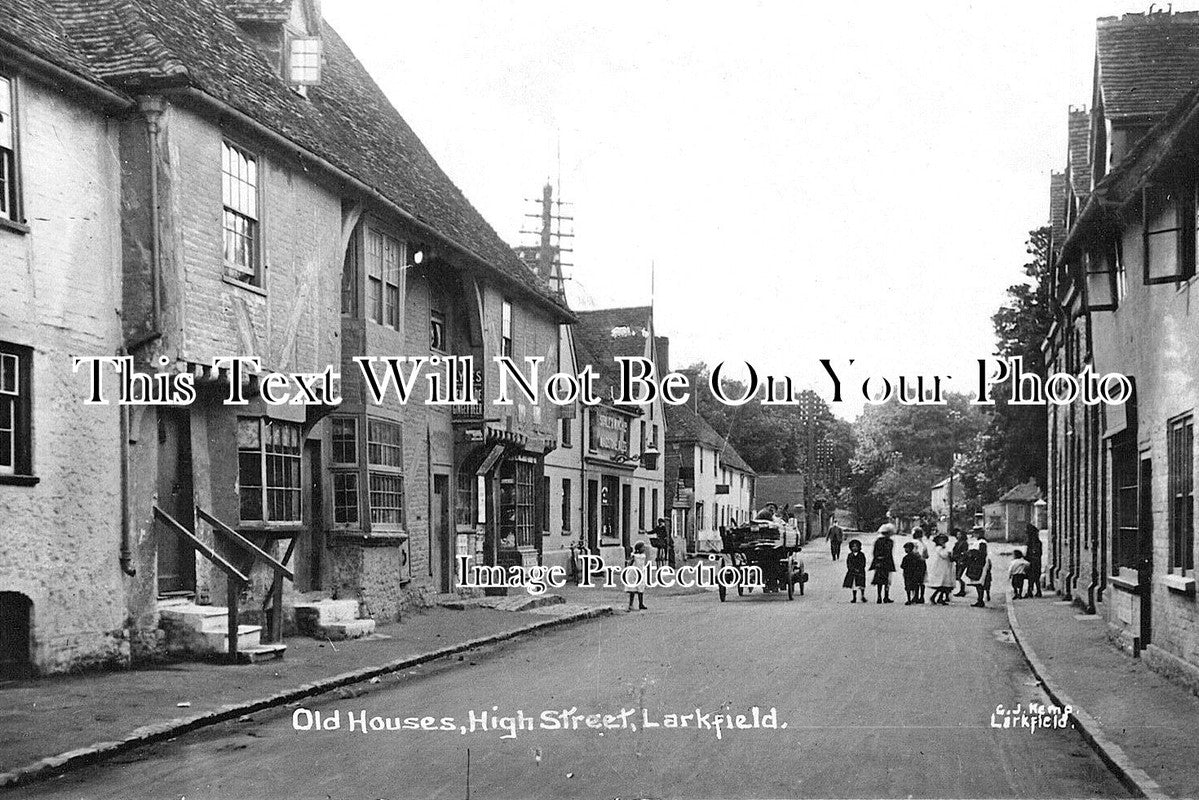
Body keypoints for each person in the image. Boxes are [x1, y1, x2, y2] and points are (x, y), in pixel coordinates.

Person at [870, 523, 897, 604]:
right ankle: (886, 596)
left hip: (879, 562)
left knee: (879, 580)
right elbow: (889, 552)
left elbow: (874, 552)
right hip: (887, 562)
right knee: (887, 580)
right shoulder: (890, 542)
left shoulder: (877, 541)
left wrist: (877, 559)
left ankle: (879, 596)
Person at [926, 533, 955, 604]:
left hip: (945, 567)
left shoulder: (943, 548)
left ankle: (939, 597)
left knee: (944, 584)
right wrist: (949, 553)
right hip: (941, 567)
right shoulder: (939, 548)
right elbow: (944, 555)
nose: (942, 541)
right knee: (942, 584)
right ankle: (935, 597)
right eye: (940, 540)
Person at [964, 530, 989, 608]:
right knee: (977, 582)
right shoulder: (977, 542)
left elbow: (982, 554)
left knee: (979, 582)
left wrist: (973, 553)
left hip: (979, 564)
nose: (975, 534)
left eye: (976, 533)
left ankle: (980, 600)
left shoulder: (982, 542)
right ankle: (979, 599)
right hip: (976, 563)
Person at [624, 541, 649, 611]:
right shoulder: (634, 556)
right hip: (633, 573)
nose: (644, 548)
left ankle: (641, 603)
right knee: (633, 589)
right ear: (639, 548)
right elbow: (630, 563)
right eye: (642, 547)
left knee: (640, 588)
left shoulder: (643, 556)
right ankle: (630, 604)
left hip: (640, 572)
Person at [1024, 523, 1044, 598]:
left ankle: (1033, 591)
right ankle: (1034, 591)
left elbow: (1034, 553)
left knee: (1033, 577)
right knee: (1035, 577)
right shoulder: (1037, 542)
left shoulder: (1033, 543)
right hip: (1036, 561)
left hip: (1033, 562)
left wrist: (1026, 558)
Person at [910, 529, 929, 604]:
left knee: (914, 580)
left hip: (913, 563)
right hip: (922, 563)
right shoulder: (923, 544)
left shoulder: (912, 543)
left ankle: (915, 596)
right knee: (922, 581)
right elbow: (926, 555)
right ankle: (922, 597)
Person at [951, 528, 970, 596]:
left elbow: (964, 552)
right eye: (957, 534)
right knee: (958, 576)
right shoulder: (958, 542)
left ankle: (963, 590)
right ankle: (962, 590)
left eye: (959, 534)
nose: (958, 535)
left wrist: (961, 559)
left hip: (962, 561)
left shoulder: (964, 543)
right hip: (958, 560)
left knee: (959, 576)